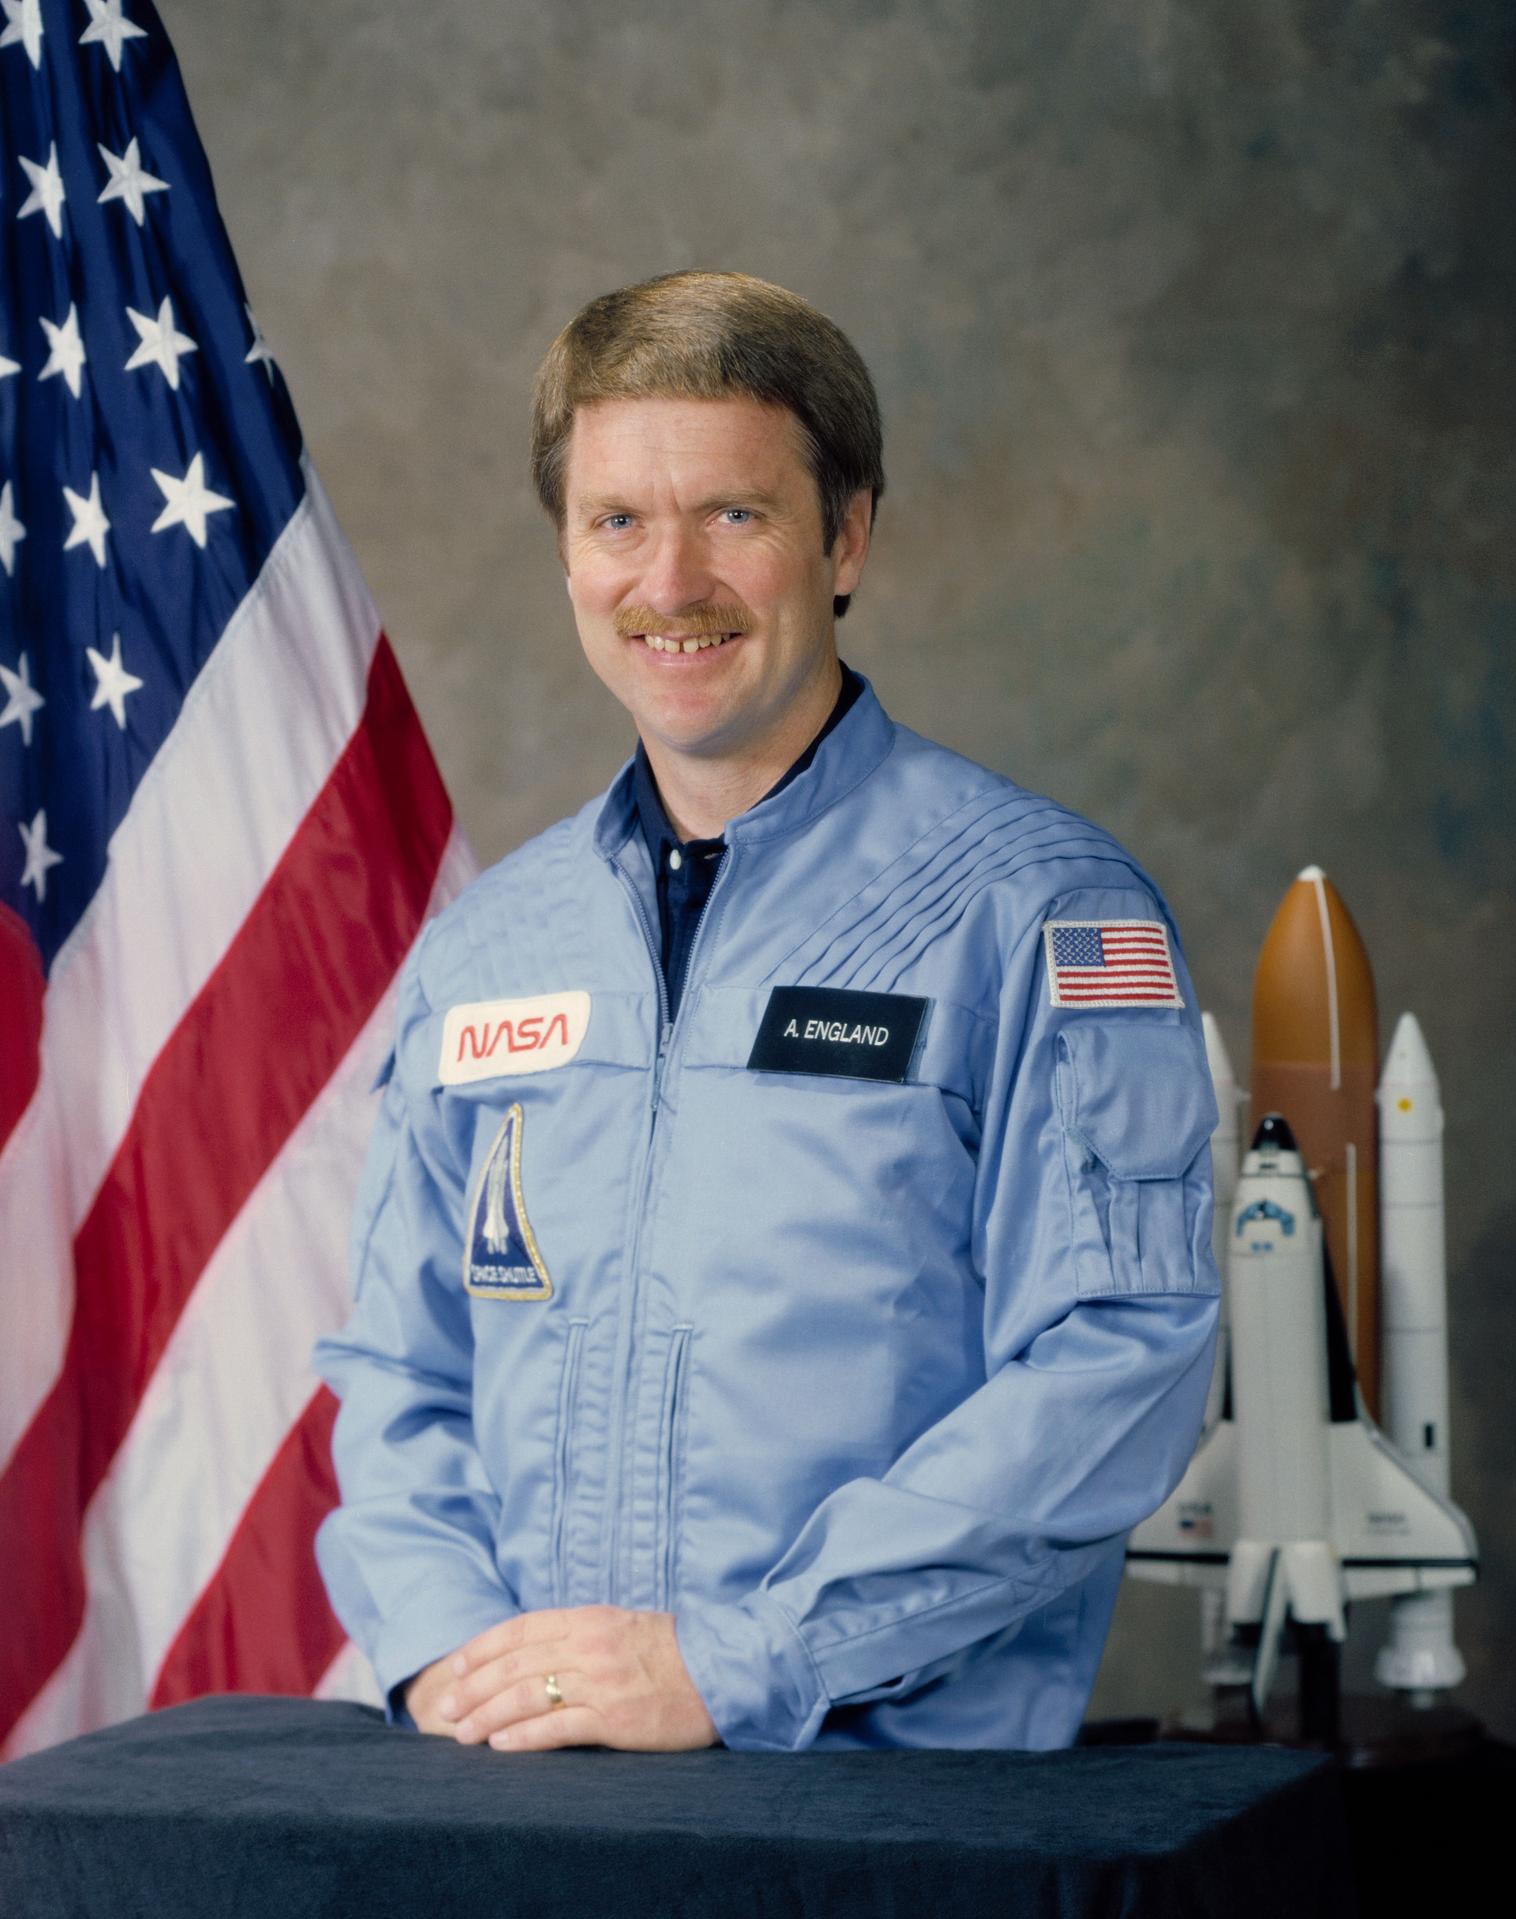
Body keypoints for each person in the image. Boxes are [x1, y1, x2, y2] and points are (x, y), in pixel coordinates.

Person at [313, 270, 1221, 1756]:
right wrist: (455, 1660)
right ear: (567, 550)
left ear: (846, 536)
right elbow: (402, 1372)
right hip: (528, 1798)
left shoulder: (1037, 913)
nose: (670, 583)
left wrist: (748, 1663)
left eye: (733, 514)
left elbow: (1114, 1361)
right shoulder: (490, 949)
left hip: (894, 1814)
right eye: (618, 521)